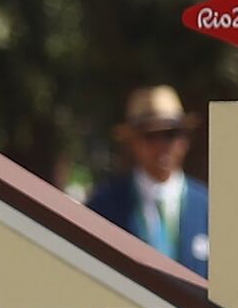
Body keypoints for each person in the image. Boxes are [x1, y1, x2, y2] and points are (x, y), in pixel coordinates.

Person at [85, 84, 211, 273]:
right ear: (133, 142)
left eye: (171, 134)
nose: (162, 146)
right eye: (151, 135)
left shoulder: (209, 206)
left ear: (184, 140)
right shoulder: (104, 205)